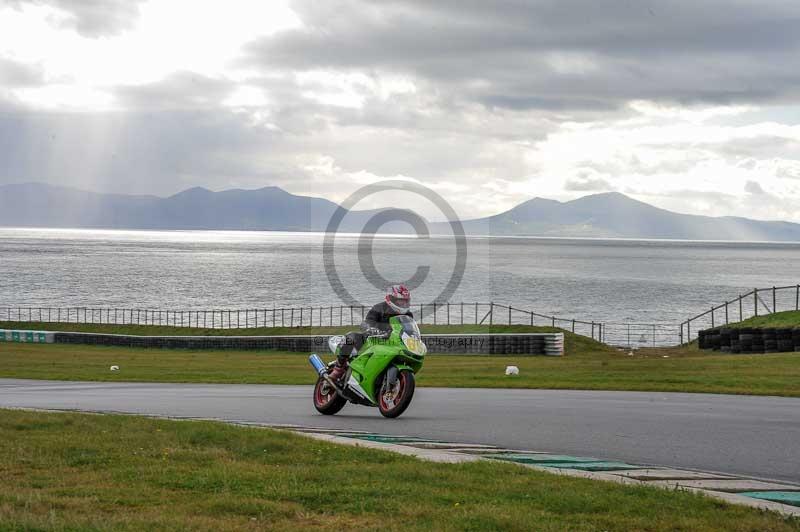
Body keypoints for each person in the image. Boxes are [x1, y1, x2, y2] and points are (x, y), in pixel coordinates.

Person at [328, 284, 413, 382]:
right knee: (351, 337)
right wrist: (371, 329)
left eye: (406, 301)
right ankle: (339, 368)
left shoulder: (408, 315)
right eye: (401, 301)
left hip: (393, 342)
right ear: (392, 299)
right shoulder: (379, 308)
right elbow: (367, 322)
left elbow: (409, 330)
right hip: (373, 338)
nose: (404, 304)